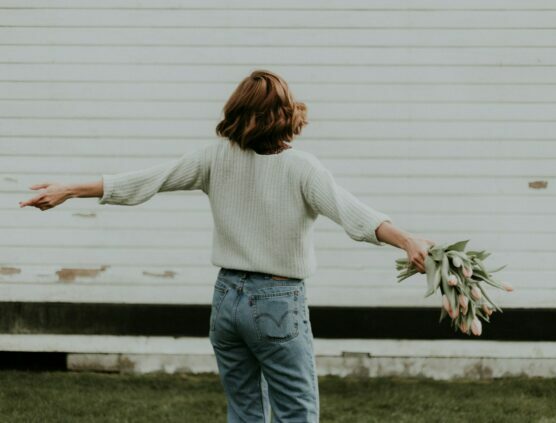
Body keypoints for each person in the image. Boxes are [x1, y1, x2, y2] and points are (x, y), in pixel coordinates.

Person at [19, 69, 434, 422]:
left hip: (227, 300)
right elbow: (356, 215)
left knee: (244, 414)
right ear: (287, 115)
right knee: (297, 413)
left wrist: (70, 189)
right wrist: (407, 240)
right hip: (277, 302)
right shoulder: (302, 168)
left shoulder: (215, 158)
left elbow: (146, 181)